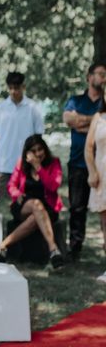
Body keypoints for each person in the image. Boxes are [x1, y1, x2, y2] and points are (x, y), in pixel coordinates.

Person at [0, 135, 64, 268]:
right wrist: (16, 193)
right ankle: (53, 249)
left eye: (40, 149)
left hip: (48, 207)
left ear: (45, 149)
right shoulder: (22, 163)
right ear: (28, 152)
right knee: (35, 204)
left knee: (34, 217)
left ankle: (2, 246)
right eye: (33, 150)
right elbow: (11, 185)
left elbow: (53, 186)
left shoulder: (54, 163)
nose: (37, 154)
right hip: (24, 204)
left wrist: (38, 168)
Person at [63, 62, 106, 260]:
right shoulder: (76, 100)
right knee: (77, 207)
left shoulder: (104, 102)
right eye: (99, 74)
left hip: (102, 166)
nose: (103, 78)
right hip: (78, 162)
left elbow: (78, 123)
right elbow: (69, 120)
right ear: (89, 77)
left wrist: (83, 122)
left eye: (105, 75)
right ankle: (75, 248)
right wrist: (95, 121)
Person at [0, 72, 44, 209]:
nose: (14, 91)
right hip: (3, 163)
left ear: (23, 87)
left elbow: (38, 137)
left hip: (25, 164)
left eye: (17, 87)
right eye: (11, 88)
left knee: (25, 201)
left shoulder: (33, 108)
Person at [85, 92, 106, 272]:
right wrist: (92, 172)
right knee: (105, 222)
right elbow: (88, 148)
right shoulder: (98, 118)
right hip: (102, 175)